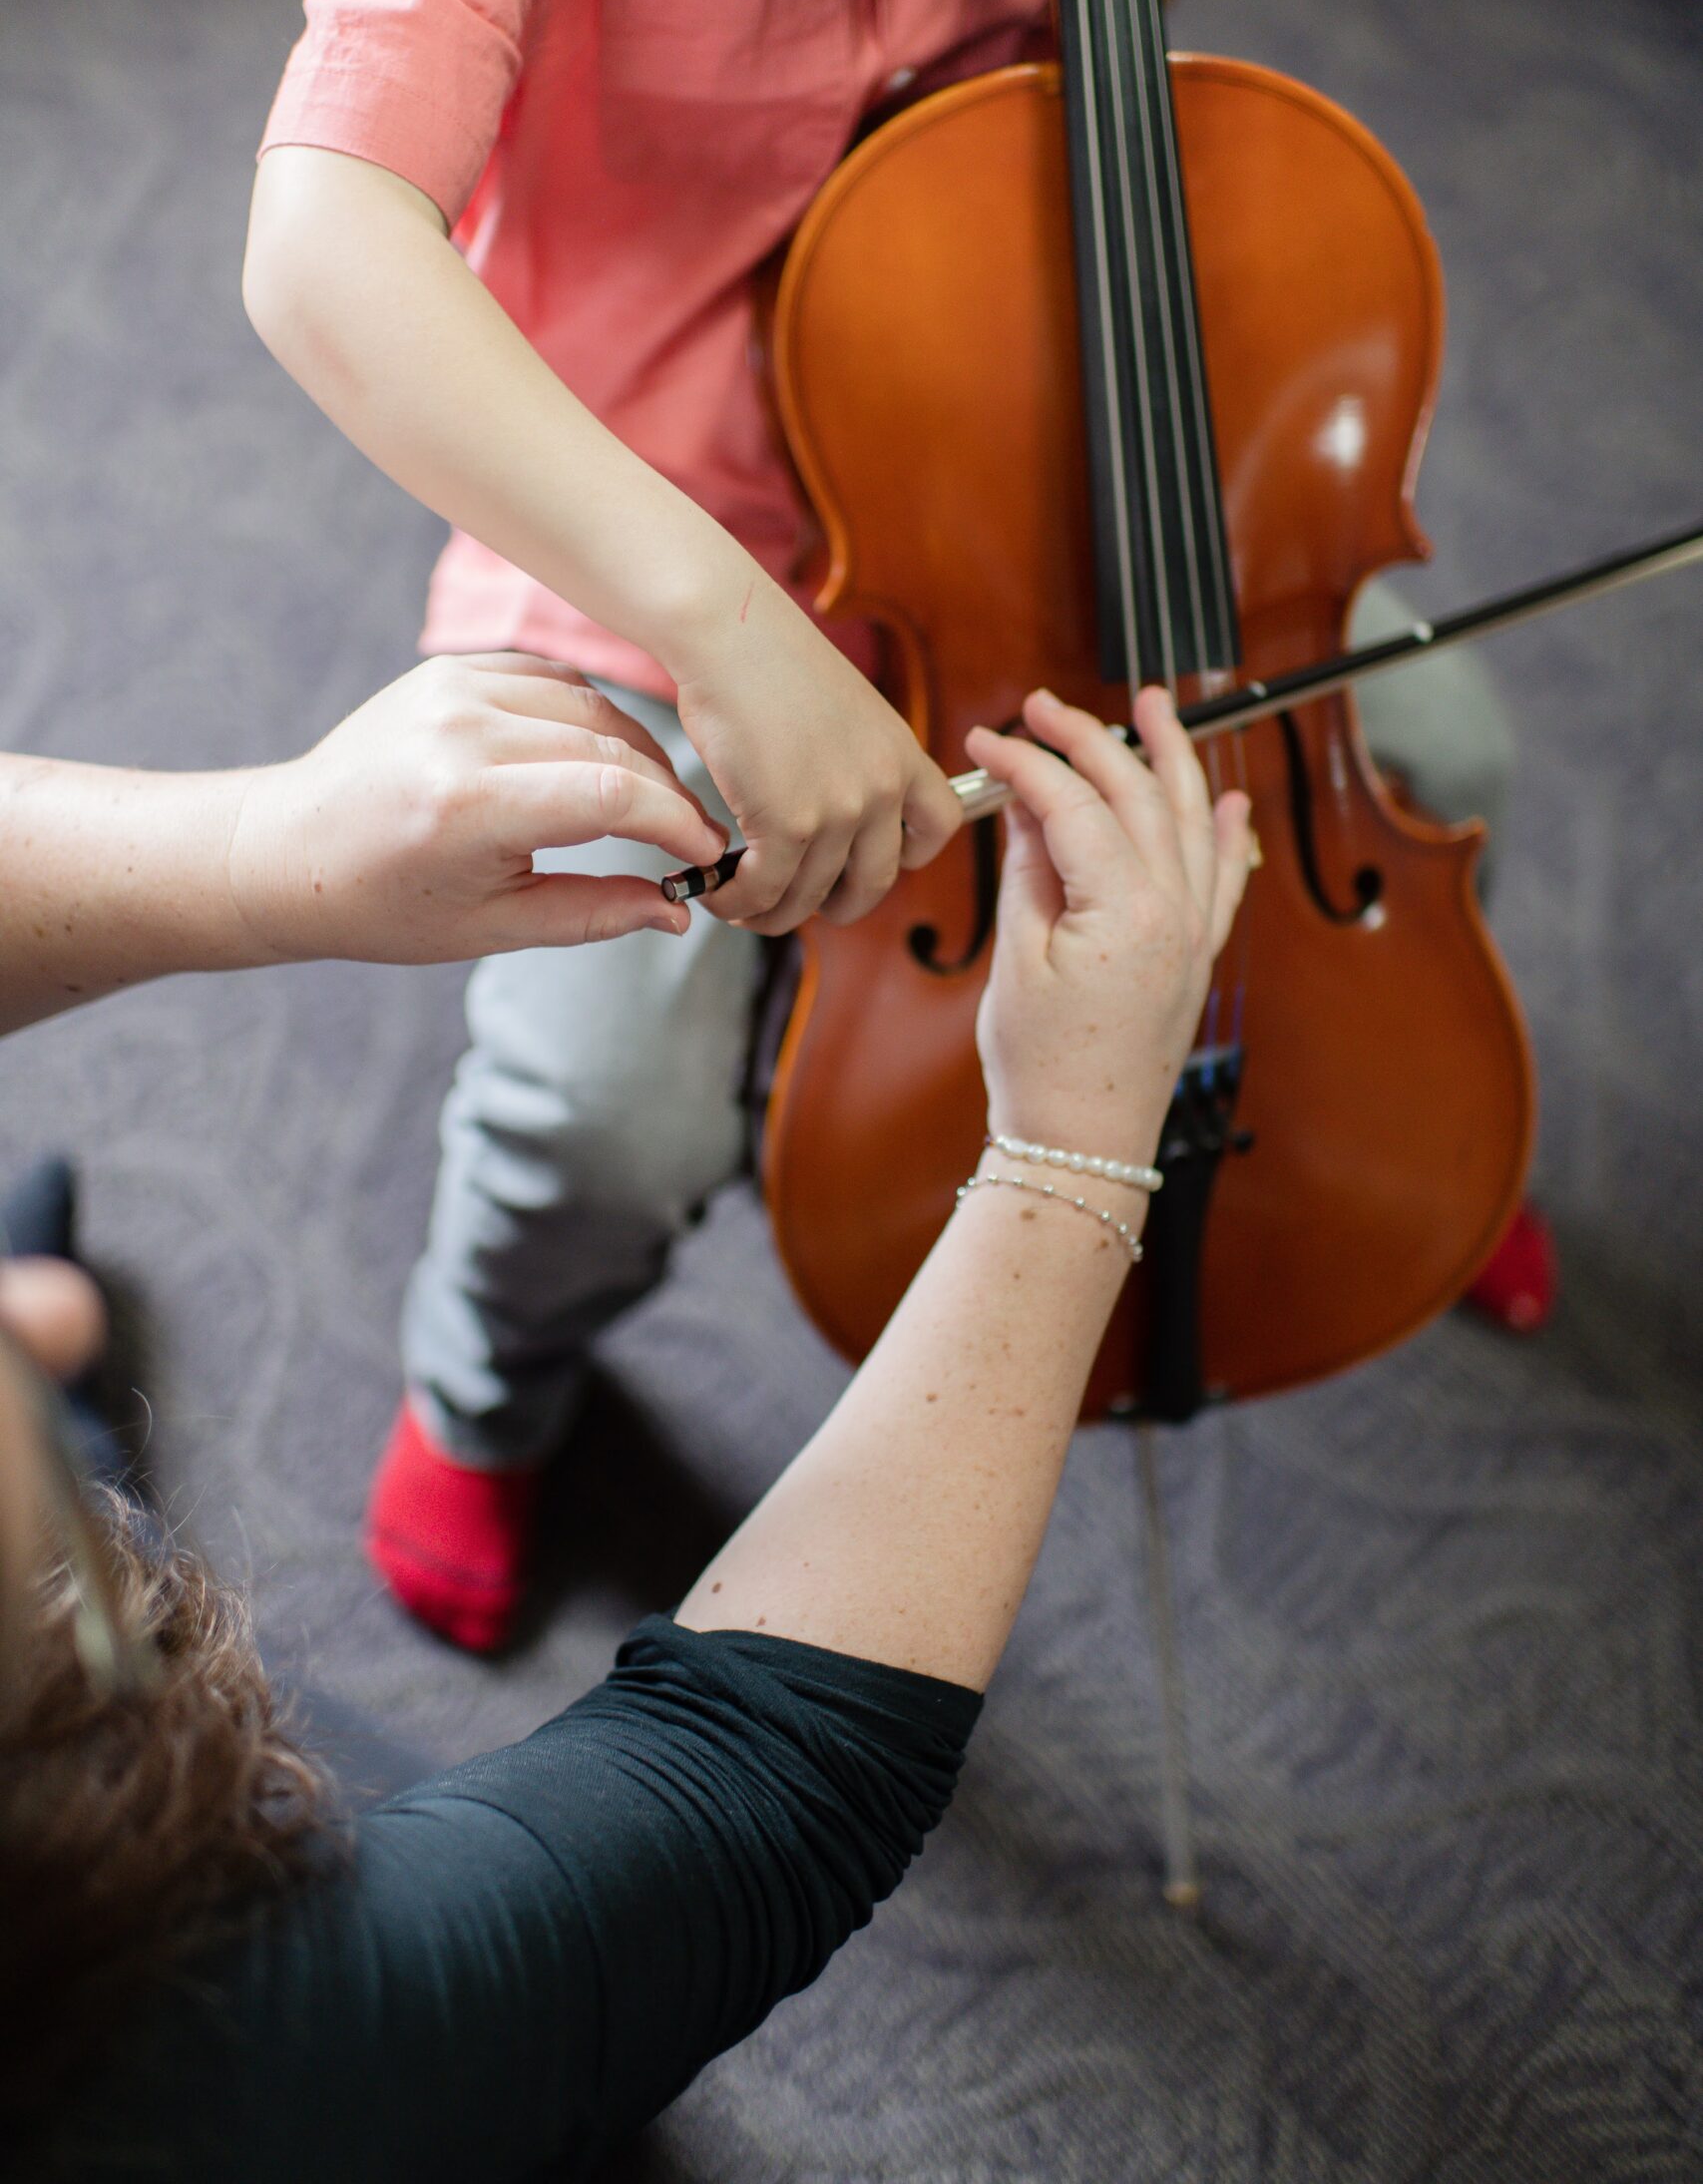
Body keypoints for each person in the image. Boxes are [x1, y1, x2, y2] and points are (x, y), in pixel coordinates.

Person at [242, 0, 1526, 1654]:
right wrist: (711, 618)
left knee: (1433, 763)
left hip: (1000, 441)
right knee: (599, 1110)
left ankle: (1387, 1098)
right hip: (645, 515)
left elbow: (1048, 73)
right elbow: (320, 240)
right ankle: (484, 1386)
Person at [1, 680, 1253, 2181]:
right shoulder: (197, 2071)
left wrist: (262, 849)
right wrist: (1080, 1133)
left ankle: (45, 1345)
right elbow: (772, 1777)